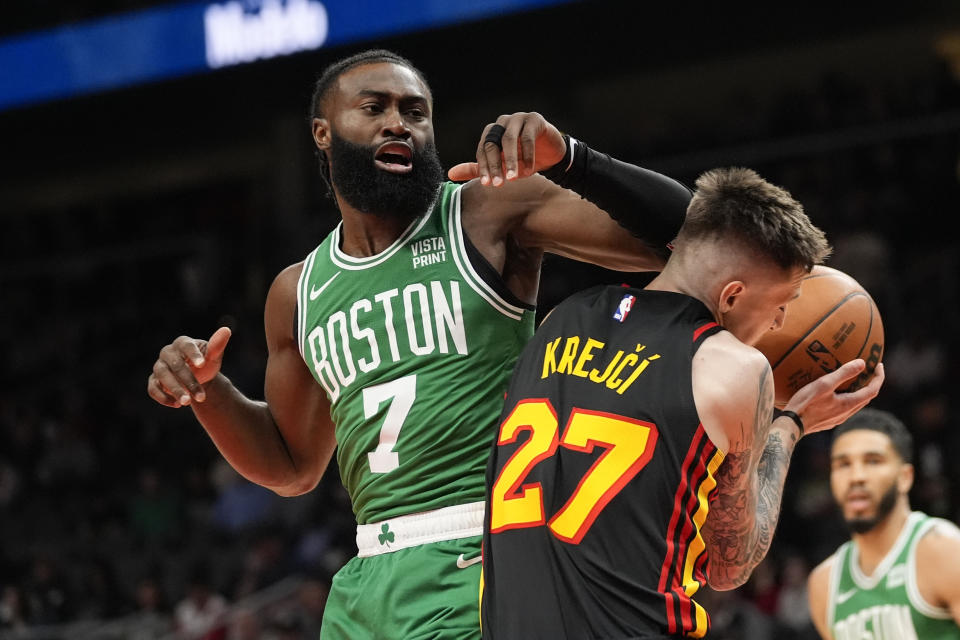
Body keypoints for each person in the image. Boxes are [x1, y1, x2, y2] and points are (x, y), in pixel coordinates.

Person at [147, 48, 693, 639]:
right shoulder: (296, 292)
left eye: (415, 111)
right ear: (323, 134)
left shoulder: (482, 212)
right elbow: (292, 467)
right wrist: (210, 393)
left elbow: (689, 237)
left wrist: (573, 160)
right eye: (373, 108)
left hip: (484, 549)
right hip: (366, 581)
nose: (397, 123)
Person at [479, 167, 885, 639]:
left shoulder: (560, 319)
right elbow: (729, 564)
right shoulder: (734, 367)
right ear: (732, 295)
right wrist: (789, 427)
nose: (779, 323)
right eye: (783, 303)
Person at [806, 407, 960, 639]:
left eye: (873, 461)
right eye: (843, 464)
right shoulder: (824, 583)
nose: (856, 476)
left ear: (904, 477)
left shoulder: (943, 550)